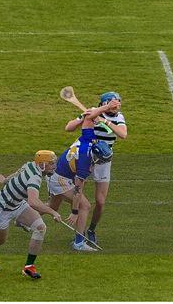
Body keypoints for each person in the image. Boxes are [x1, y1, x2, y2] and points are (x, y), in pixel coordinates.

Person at [0, 150, 62, 279]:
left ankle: (29, 267)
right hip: (0, 209)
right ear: (42, 164)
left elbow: (16, 174)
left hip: (18, 205)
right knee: (0, 240)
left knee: (40, 228)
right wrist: (52, 212)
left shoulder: (30, 164)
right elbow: (33, 201)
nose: (54, 166)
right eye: (51, 163)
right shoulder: (35, 177)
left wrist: (4, 180)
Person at [46, 106, 113, 251]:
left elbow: (88, 118)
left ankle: (21, 216)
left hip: (59, 173)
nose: (101, 163)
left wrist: (105, 108)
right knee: (85, 206)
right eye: (101, 160)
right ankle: (79, 242)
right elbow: (78, 189)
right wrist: (74, 212)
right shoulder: (85, 163)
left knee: (51, 207)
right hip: (60, 179)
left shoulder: (89, 138)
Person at [65, 91, 127, 246]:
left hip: (103, 161)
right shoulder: (92, 111)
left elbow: (123, 134)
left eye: (118, 103)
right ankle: (79, 234)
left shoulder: (118, 117)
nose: (117, 106)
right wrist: (83, 119)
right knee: (79, 195)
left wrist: (104, 122)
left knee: (100, 202)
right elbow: (69, 128)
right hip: (86, 157)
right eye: (114, 104)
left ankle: (91, 229)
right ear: (105, 103)